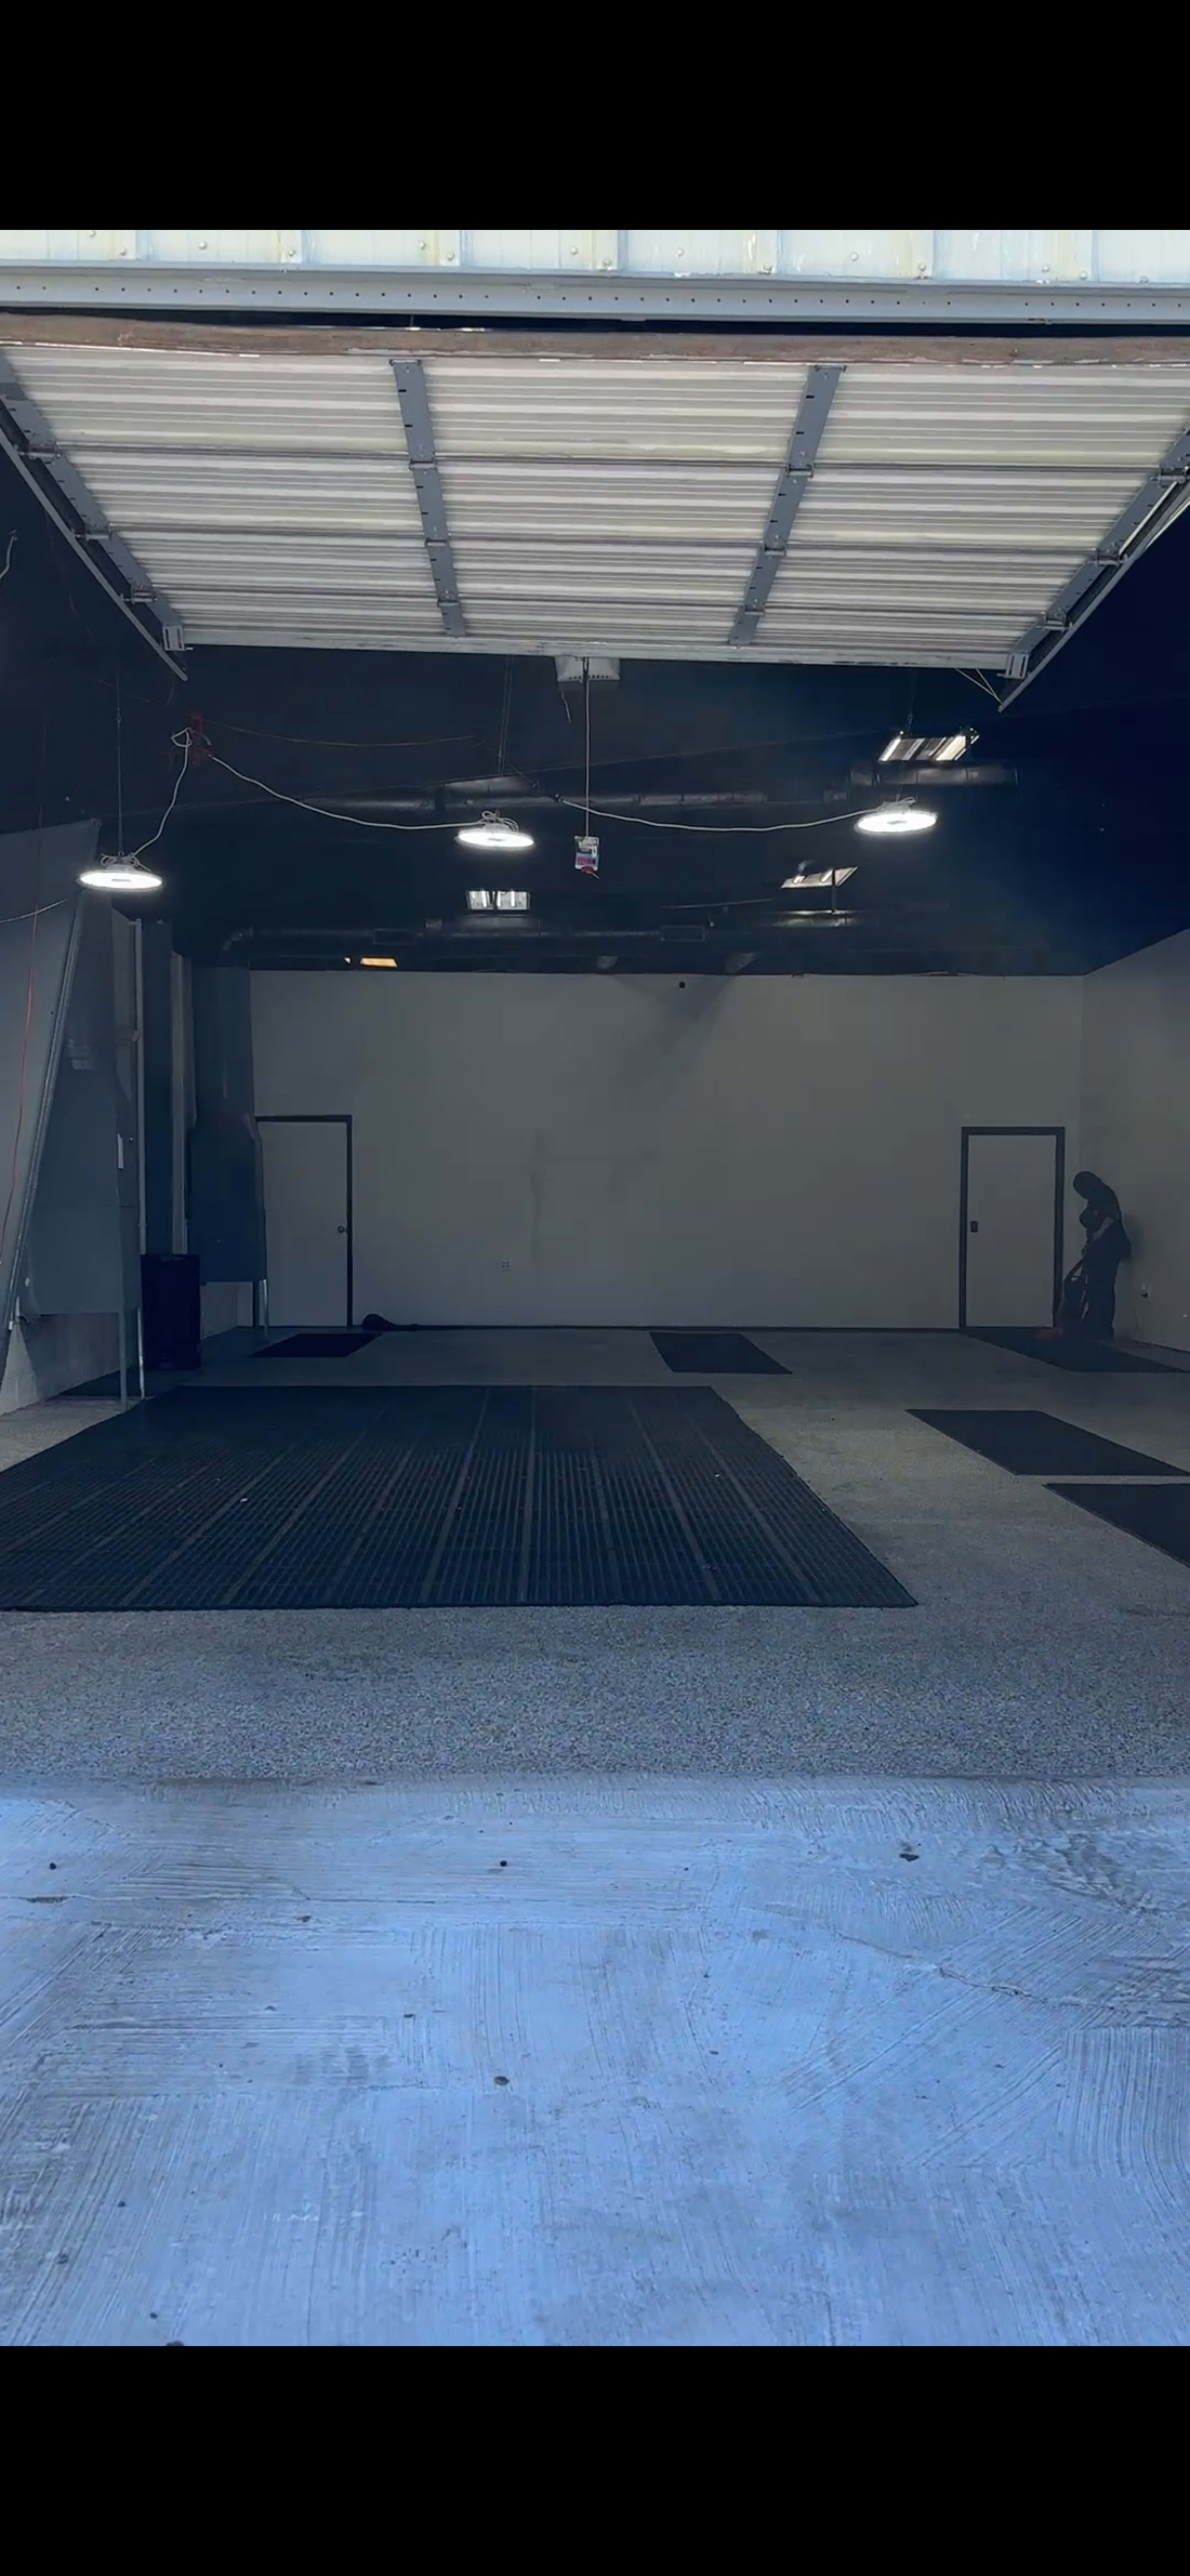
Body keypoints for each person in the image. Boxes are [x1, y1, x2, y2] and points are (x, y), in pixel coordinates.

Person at [1055, 1171, 1130, 1342]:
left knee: (1102, 1288)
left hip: (1109, 1249)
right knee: (1095, 1287)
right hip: (1098, 1249)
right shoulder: (1095, 1199)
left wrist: (1097, 1235)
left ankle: (1101, 1327)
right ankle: (1094, 1325)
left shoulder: (1104, 1195)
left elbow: (1111, 1217)